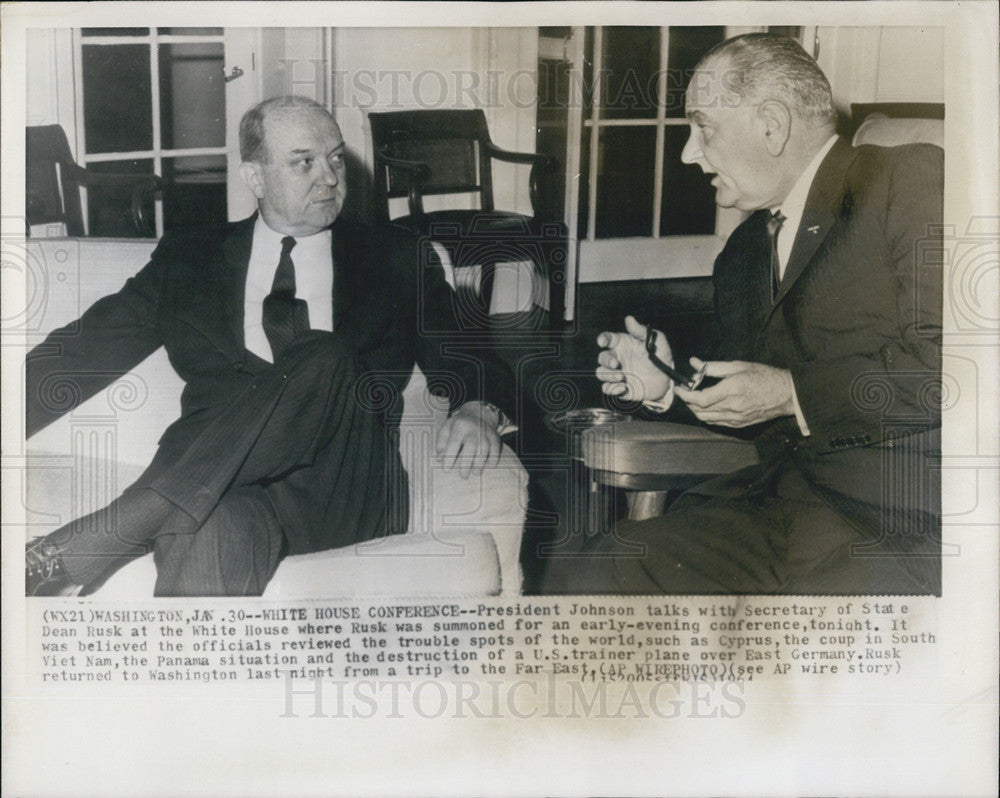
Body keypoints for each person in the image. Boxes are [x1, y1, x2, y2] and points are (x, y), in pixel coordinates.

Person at [25, 95, 514, 597]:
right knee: (207, 539)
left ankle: (104, 535)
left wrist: (478, 407)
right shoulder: (189, 257)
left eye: (336, 158)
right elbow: (84, 349)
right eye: (304, 162)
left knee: (323, 354)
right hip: (211, 496)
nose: (329, 177)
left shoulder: (394, 256)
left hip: (342, 487)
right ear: (254, 178)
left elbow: (469, 352)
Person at [550, 33, 943, 595]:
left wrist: (792, 392)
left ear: (772, 125)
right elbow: (750, 404)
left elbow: (950, 365)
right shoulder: (742, 254)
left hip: (896, 527)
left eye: (702, 126)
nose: (687, 152)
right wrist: (668, 386)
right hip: (772, 514)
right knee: (592, 571)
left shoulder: (909, 182)